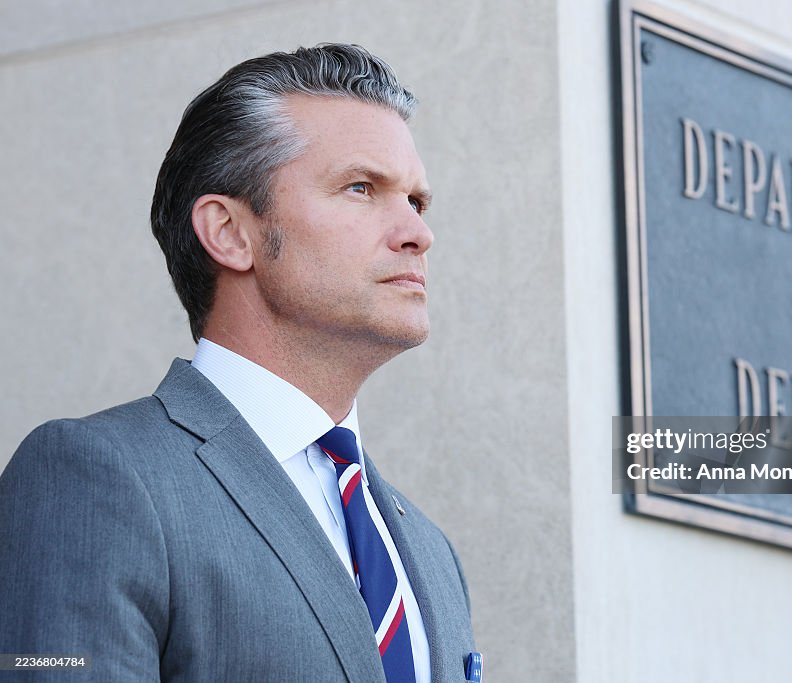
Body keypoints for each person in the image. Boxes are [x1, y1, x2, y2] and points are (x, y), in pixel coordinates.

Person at [0, 44, 477, 682]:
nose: (417, 232)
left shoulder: (430, 553)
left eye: (417, 201)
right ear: (229, 232)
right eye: (362, 188)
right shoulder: (95, 477)